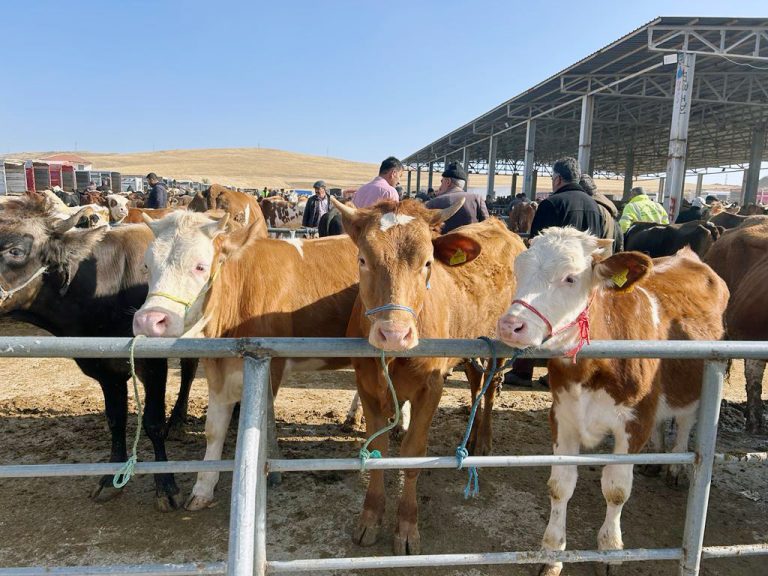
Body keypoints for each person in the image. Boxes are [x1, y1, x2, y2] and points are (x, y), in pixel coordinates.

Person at [529, 157, 603, 238]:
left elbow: (535, 242)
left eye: (552, 178)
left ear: (558, 179)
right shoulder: (594, 205)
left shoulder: (550, 204)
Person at [425, 161, 489, 233]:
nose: (440, 187)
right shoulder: (477, 199)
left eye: (441, 181)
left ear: (448, 182)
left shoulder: (432, 203)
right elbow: (487, 229)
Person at [579, 174, 623, 253]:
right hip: (607, 257)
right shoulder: (608, 207)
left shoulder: (592, 208)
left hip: (595, 261)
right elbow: (619, 239)